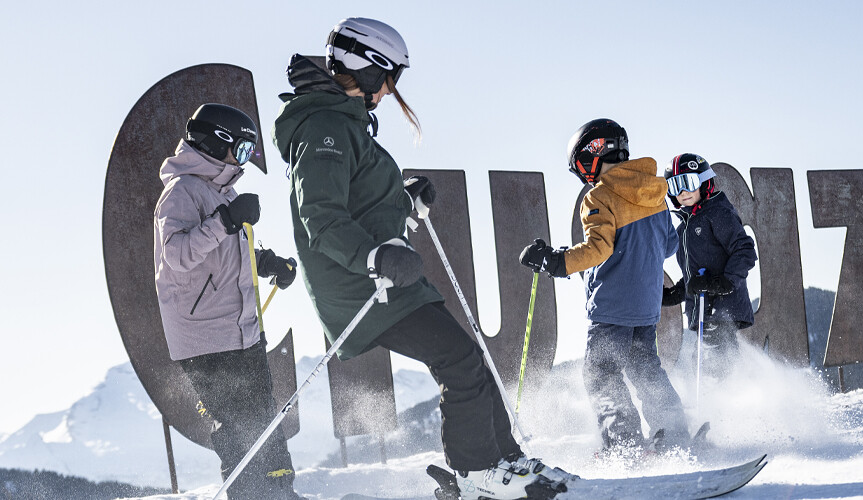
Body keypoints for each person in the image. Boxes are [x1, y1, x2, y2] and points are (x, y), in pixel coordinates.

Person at [272, 18, 570, 499]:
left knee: (468, 358)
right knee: (457, 359)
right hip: (362, 286)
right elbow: (321, 217)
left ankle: (507, 463)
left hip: (386, 279)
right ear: (366, 68)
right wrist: (372, 256)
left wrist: (403, 200)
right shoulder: (324, 126)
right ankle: (478, 475)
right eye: (389, 77)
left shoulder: (343, 122)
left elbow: (360, 199)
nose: (391, 90)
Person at [152, 103, 302, 500]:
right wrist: (225, 221)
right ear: (217, 141)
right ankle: (250, 494)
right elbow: (178, 255)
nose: (245, 161)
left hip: (241, 331)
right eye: (242, 150)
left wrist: (269, 262)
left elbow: (229, 253)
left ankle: (279, 491)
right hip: (204, 337)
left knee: (263, 417)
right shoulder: (180, 193)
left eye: (250, 153)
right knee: (238, 424)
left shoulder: (222, 190)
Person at [519, 118, 691, 456]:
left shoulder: (599, 196)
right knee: (645, 369)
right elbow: (669, 245)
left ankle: (623, 445)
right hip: (645, 308)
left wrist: (555, 260)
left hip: (611, 308)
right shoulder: (654, 194)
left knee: (601, 374)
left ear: (593, 155)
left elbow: (599, 249)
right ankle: (675, 434)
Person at [661, 154, 757, 378]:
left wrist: (724, 282)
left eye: (689, 183)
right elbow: (698, 273)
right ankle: (718, 404)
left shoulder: (717, 213)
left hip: (722, 306)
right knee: (702, 362)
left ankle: (725, 403)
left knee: (713, 360)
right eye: (675, 186)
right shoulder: (683, 229)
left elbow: (744, 250)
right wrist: (680, 291)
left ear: (704, 183)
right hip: (703, 310)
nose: (683, 192)